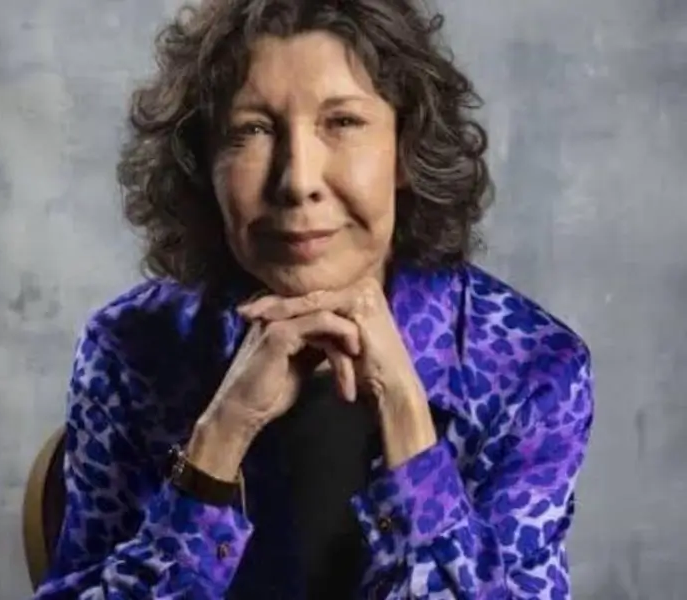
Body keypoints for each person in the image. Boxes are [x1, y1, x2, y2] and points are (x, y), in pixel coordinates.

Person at [32, 0, 594, 597]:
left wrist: (408, 425)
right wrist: (218, 440)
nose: (298, 181)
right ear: (204, 165)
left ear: (405, 149)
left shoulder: (531, 370)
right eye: (252, 130)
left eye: (343, 122)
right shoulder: (129, 349)